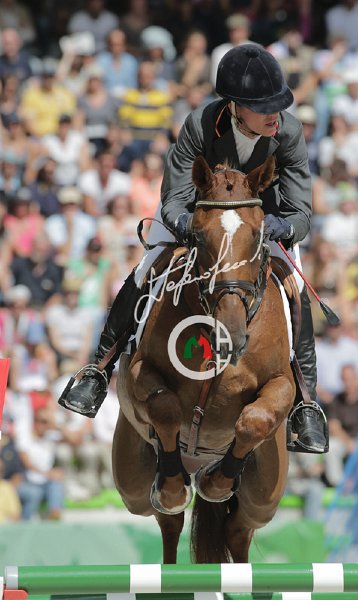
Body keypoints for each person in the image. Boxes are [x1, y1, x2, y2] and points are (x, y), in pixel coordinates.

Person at [61, 45, 329, 454]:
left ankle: (307, 404)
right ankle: (99, 369)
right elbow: (173, 201)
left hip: (259, 223)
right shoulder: (200, 124)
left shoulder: (288, 132)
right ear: (236, 106)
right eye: (263, 107)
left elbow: (301, 212)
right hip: (196, 216)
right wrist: (197, 229)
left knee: (294, 286)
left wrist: (279, 227)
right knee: (147, 267)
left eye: (278, 103)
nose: (275, 113)